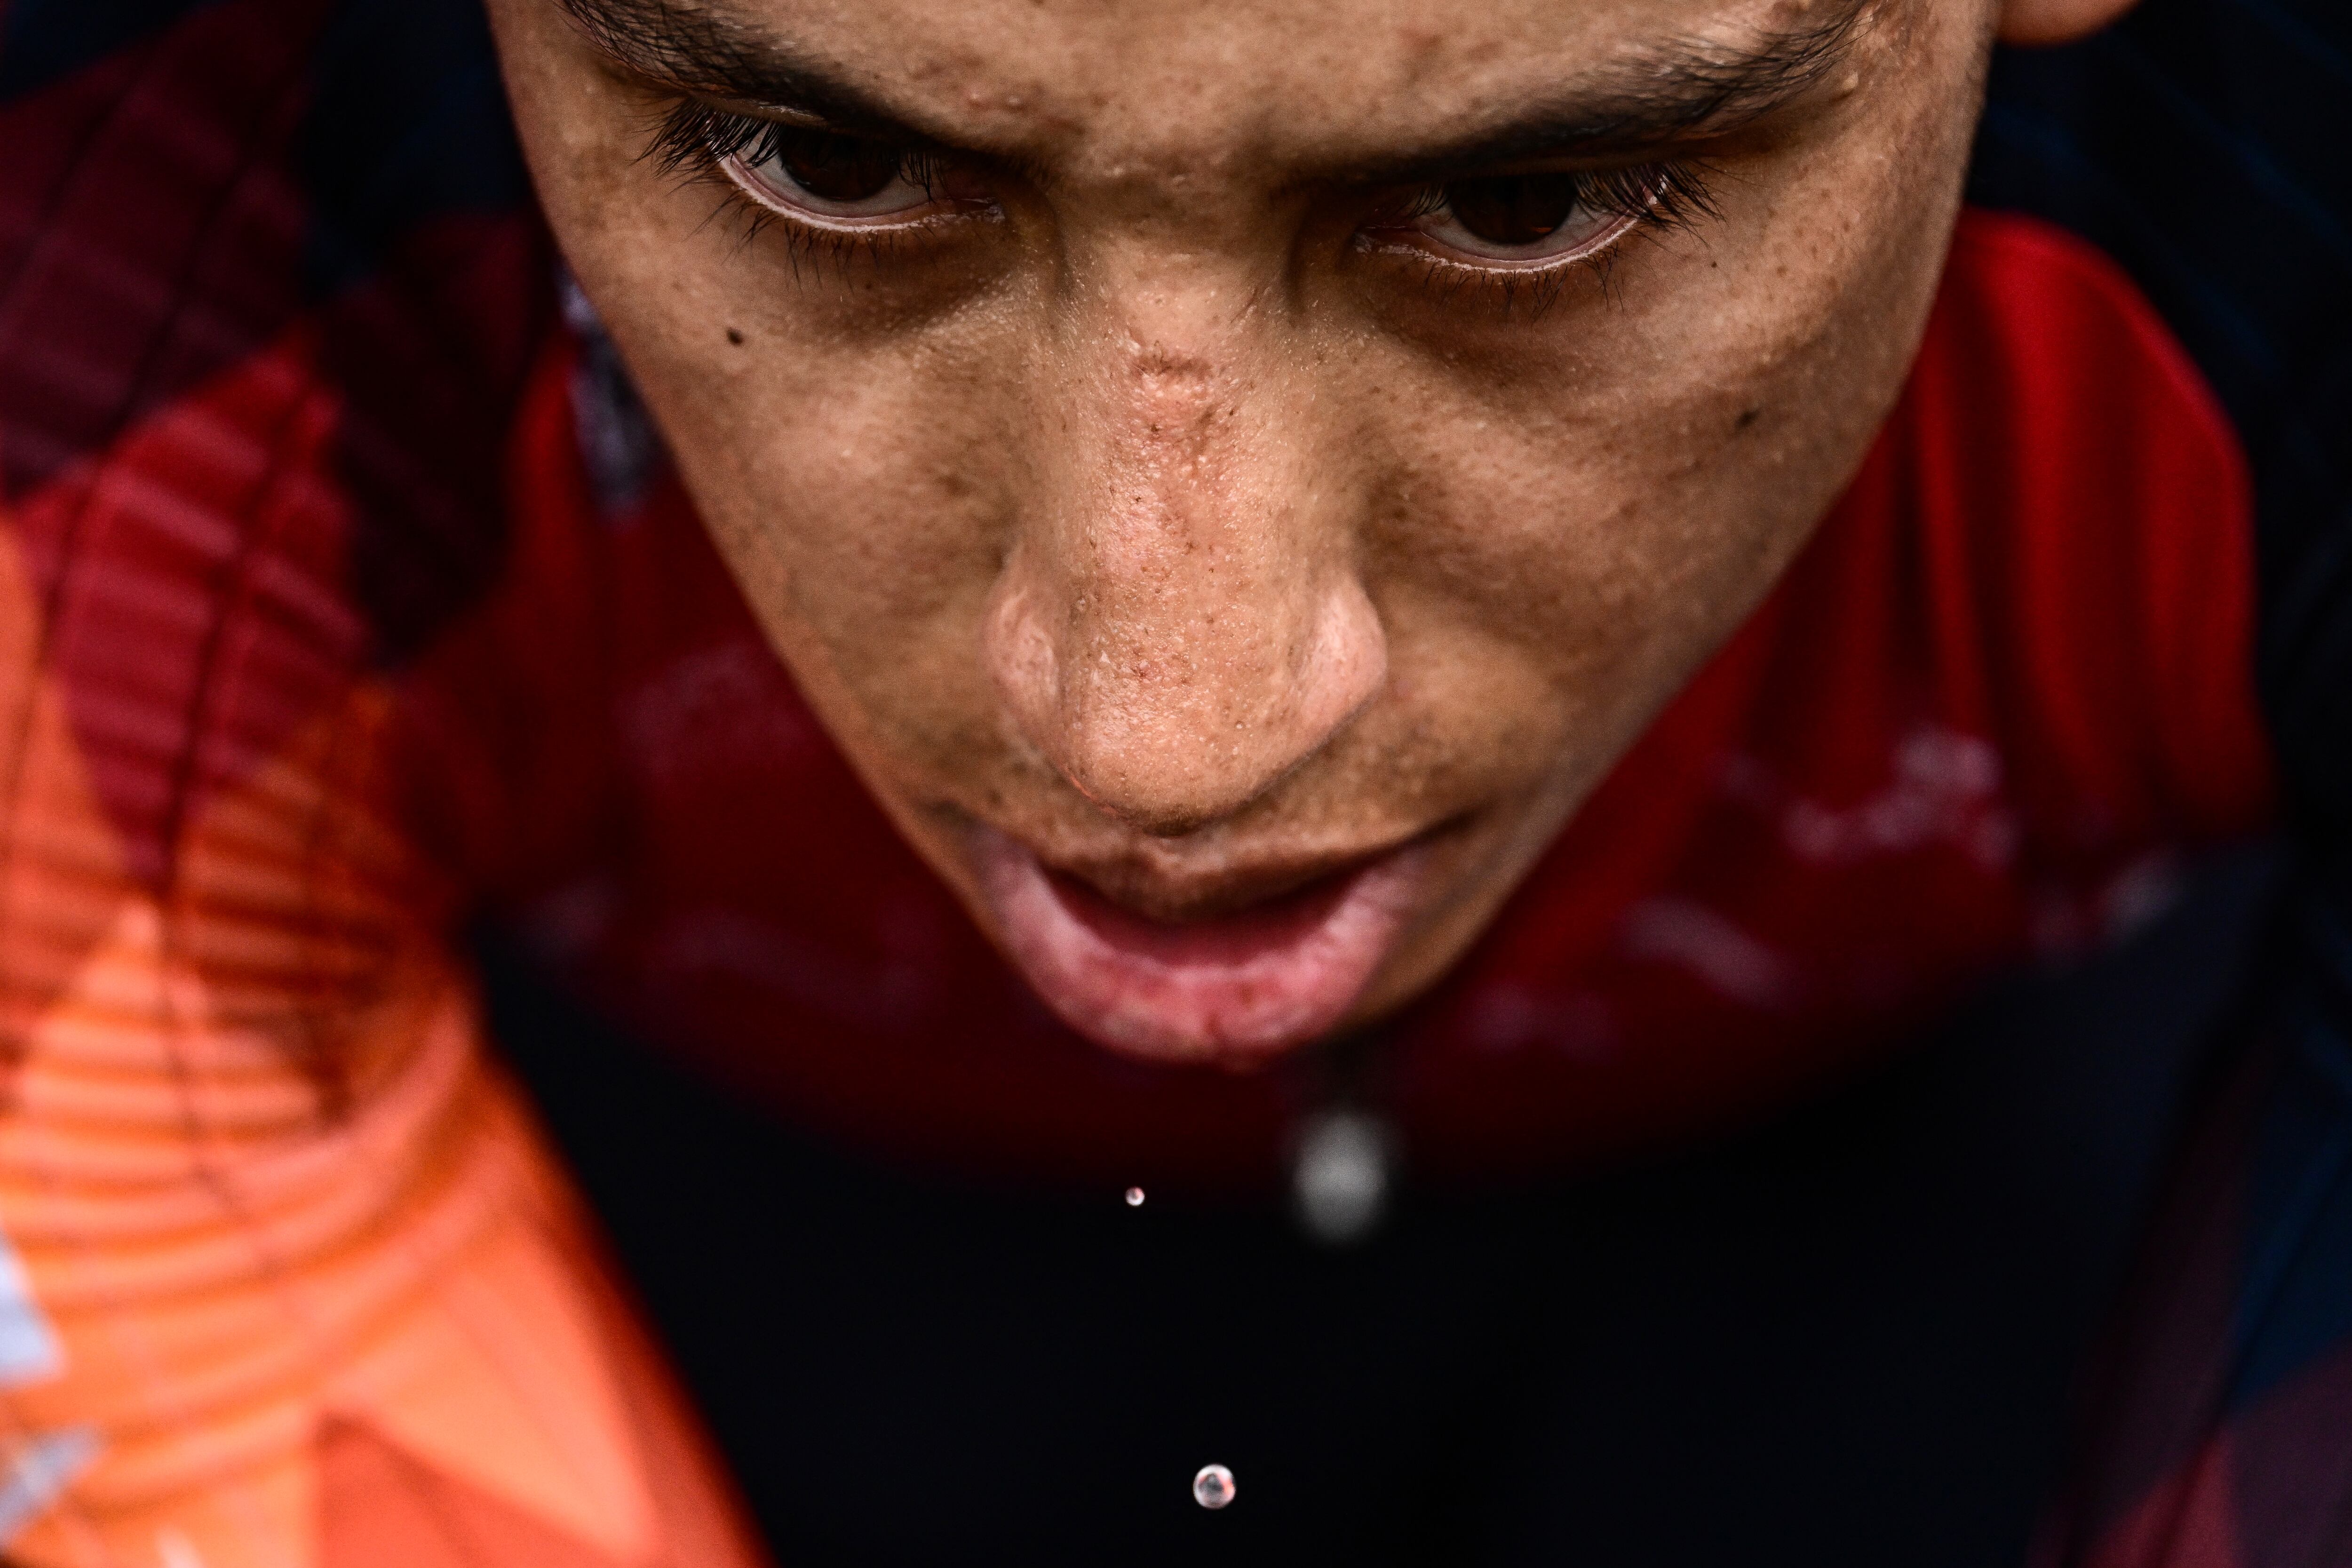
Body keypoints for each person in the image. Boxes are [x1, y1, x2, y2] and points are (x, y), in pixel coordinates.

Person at [0, 0, 2342, 1563]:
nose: (1163, 730)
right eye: (820, 157)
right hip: (658, 1169)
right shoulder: (117, 146)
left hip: (1916, 1178)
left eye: (1527, 205)